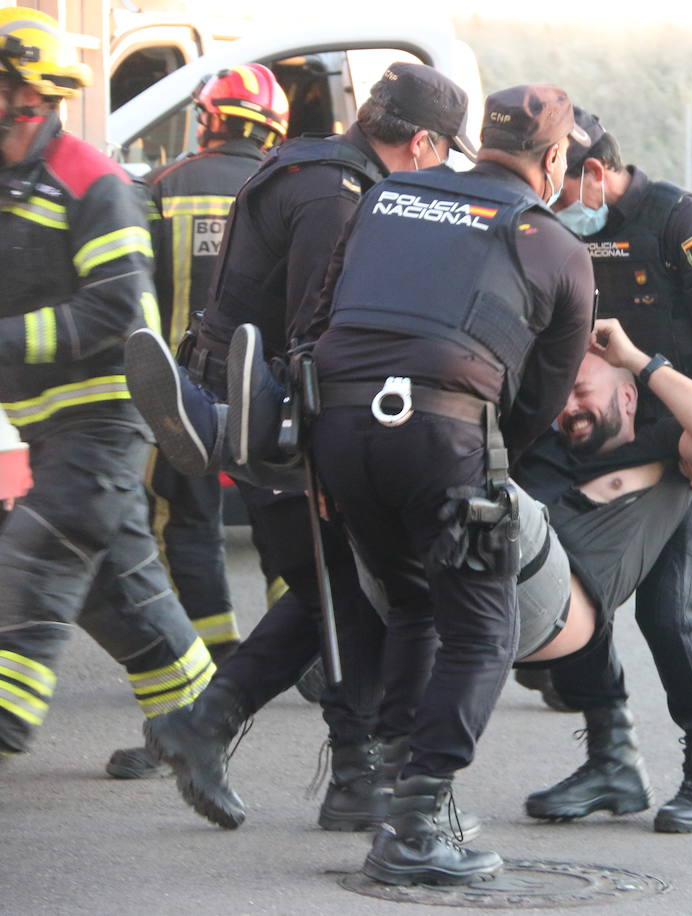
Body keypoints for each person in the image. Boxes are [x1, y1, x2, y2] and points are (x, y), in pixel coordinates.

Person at [130, 63, 477, 833]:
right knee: (348, 589)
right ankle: (298, 758)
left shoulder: (308, 165)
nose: (443, 170)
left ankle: (323, 768)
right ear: (419, 140)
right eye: (443, 153)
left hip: (251, 409)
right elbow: (314, 335)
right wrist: (323, 455)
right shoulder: (338, 196)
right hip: (279, 421)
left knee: (335, 592)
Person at [296, 82, 594, 886]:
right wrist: (485, 470)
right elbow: (539, 398)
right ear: (556, 158)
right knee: (483, 632)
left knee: (411, 606)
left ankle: (401, 797)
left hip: (339, 429)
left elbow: (317, 318)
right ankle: (417, 823)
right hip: (443, 433)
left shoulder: (387, 196)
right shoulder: (554, 244)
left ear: (475, 141)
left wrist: (321, 451)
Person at [530, 107, 692, 833]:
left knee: (666, 602)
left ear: (597, 175)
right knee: (554, 572)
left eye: (562, 188)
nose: (553, 203)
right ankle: (612, 758)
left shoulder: (679, 224)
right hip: (604, 429)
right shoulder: (549, 235)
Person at [0, 8, 213, 761]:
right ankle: (197, 725)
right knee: (117, 589)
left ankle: (6, 713)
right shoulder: (13, 182)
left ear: (30, 94)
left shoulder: (94, 182)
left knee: (36, 554)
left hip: (104, 423)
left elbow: (121, 310)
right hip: (46, 426)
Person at [105, 64, 291, 782]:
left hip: (178, 399)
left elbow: (135, 296)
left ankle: (211, 649)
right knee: (285, 520)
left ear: (209, 118)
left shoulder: (162, 186)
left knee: (183, 526)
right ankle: (295, 657)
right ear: (271, 127)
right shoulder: (286, 187)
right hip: (266, 392)